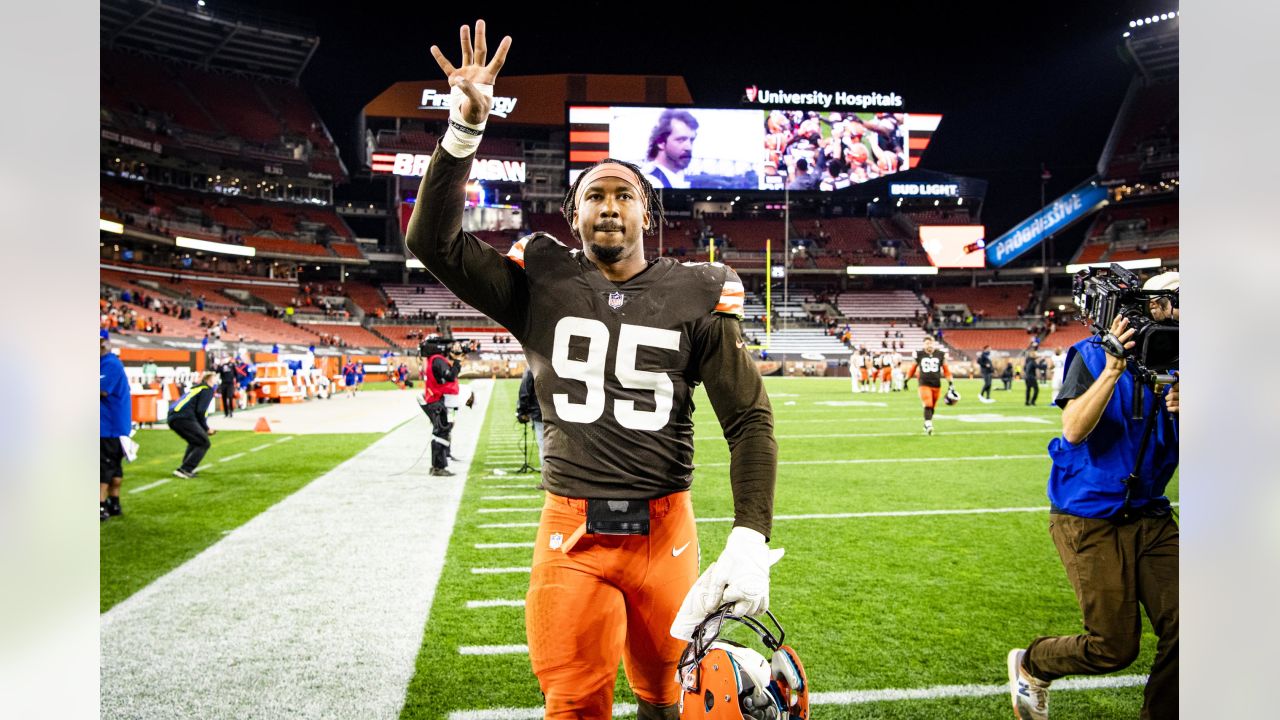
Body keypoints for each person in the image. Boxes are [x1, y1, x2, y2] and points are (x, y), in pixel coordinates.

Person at [411, 22, 779, 719]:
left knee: (672, 701)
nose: (609, 205)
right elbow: (432, 240)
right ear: (572, 213)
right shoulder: (540, 278)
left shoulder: (698, 290)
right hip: (570, 530)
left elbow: (749, 419)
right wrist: (463, 129)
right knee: (574, 703)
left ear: (648, 209)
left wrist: (749, 535)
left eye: (623, 193)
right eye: (594, 195)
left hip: (666, 532)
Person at [1008, 273, 1179, 720]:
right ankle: (1033, 662)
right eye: (1175, 302)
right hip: (1089, 516)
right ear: (1151, 307)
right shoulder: (1089, 354)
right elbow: (1074, 429)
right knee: (1113, 647)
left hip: (1152, 515)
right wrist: (1113, 369)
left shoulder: (1193, 365)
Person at [100, 330, 131, 521]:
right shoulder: (109, 363)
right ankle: (114, 502)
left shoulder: (109, 364)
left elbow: (102, 391)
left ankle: (100, 505)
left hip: (108, 426)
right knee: (114, 468)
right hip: (114, 425)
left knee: (103, 467)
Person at [421, 340, 464, 476]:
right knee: (442, 433)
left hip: (437, 401)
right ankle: (439, 466)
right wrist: (457, 363)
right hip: (440, 402)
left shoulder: (432, 360)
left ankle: (437, 464)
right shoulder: (437, 360)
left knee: (441, 431)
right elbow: (451, 376)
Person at [167, 372, 217, 478]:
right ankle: (185, 469)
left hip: (174, 417)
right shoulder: (207, 390)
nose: (216, 380)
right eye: (215, 378)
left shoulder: (195, 388)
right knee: (204, 443)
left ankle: (185, 468)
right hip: (184, 417)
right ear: (209, 380)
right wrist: (206, 428)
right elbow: (201, 411)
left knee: (195, 441)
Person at [905, 334, 952, 435]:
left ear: (934, 344)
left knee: (932, 407)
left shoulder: (940, 354)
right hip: (924, 383)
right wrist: (906, 380)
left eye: (931, 343)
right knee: (928, 403)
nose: (929, 345)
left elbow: (946, 370)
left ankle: (926, 423)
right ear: (923, 345)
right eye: (927, 343)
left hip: (936, 384)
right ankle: (928, 424)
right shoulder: (919, 354)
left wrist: (951, 383)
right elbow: (912, 368)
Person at [641, 108, 698, 189]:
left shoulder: (678, 178)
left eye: (691, 140)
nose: (689, 147)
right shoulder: (650, 182)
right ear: (661, 142)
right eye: (681, 140)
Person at [515, 367, 544, 463]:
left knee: (544, 447)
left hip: (540, 414)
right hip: (560, 415)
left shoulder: (532, 369)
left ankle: (548, 477)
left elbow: (524, 392)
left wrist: (521, 412)